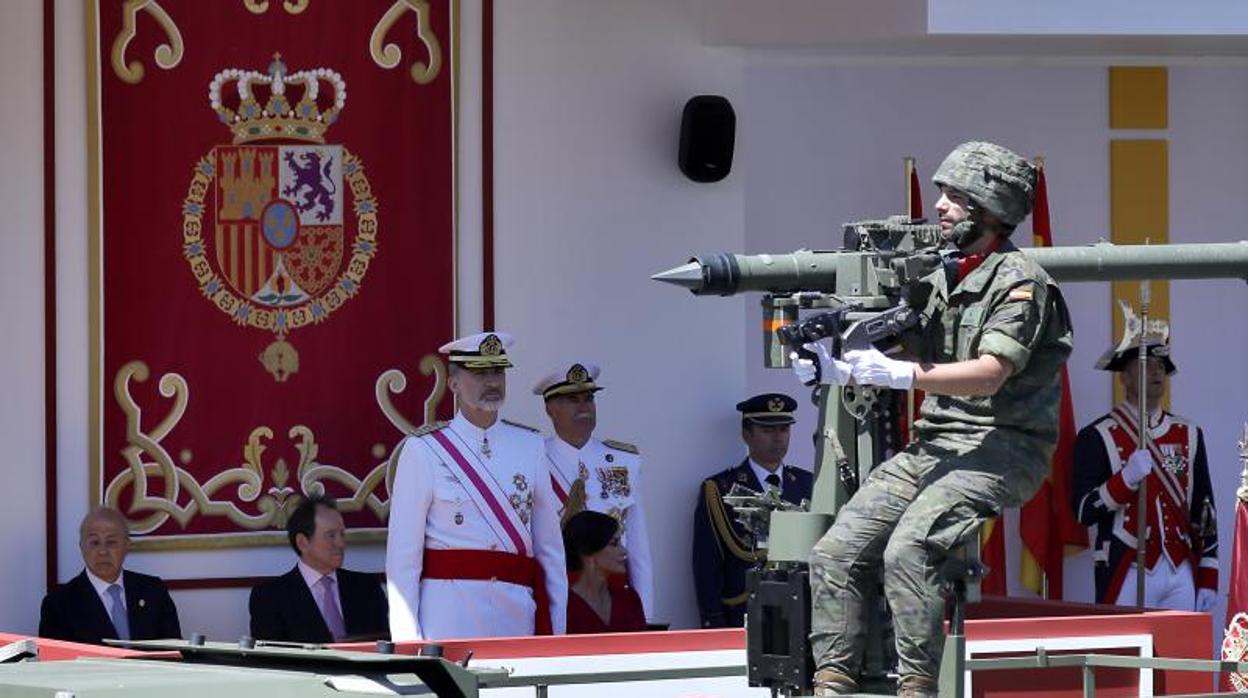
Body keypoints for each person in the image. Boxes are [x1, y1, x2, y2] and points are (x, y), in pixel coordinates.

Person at [792, 141, 1073, 697]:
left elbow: (990, 372)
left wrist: (901, 376)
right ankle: (831, 684)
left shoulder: (1021, 282)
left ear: (990, 211)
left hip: (1003, 448)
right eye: (941, 194)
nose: (940, 208)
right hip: (939, 442)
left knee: (910, 549)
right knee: (834, 551)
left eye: (955, 197)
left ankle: (918, 688)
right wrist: (837, 362)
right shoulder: (944, 277)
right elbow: (900, 339)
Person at [386, 331, 566, 640]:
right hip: (449, 614)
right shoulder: (425, 449)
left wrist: (557, 629)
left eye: (498, 371)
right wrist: (407, 642)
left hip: (516, 613)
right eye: (480, 374)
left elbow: (550, 549)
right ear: (454, 384)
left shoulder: (530, 445)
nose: (492, 381)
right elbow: (403, 559)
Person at [1071, 309, 1217, 611]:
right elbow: (1083, 511)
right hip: (1126, 566)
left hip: (1180, 569)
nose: (1156, 372)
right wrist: (1125, 480)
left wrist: (1208, 574)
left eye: (1161, 365)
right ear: (1124, 377)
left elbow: (1204, 510)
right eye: (1146, 365)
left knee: (1180, 656)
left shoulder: (1189, 433)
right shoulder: (1096, 436)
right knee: (1124, 655)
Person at [534, 361, 654, 619]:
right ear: (550, 408)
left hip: (611, 596)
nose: (584, 407)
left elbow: (638, 548)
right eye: (572, 400)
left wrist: (645, 615)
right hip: (557, 591)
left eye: (589, 399)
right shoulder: (532, 459)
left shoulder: (624, 461)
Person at [692, 393, 813, 628]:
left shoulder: (808, 483)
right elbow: (707, 564)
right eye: (768, 431)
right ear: (746, 435)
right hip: (745, 614)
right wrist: (714, 622)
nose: (778, 438)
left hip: (801, 611)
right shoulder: (721, 489)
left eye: (784, 430)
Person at [249, 495, 389, 642]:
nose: (341, 543)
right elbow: (270, 661)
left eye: (342, 534)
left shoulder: (368, 588)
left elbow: (384, 649)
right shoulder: (270, 598)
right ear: (302, 542)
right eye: (331, 536)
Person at [39, 507, 182, 645]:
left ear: (127, 546)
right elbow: (55, 663)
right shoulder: (58, 604)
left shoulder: (153, 591)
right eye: (95, 543)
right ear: (82, 546)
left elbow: (176, 651)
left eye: (111, 542)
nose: (103, 551)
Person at [563, 510, 647, 634]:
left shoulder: (629, 599)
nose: (624, 551)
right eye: (614, 544)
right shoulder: (565, 605)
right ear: (588, 551)